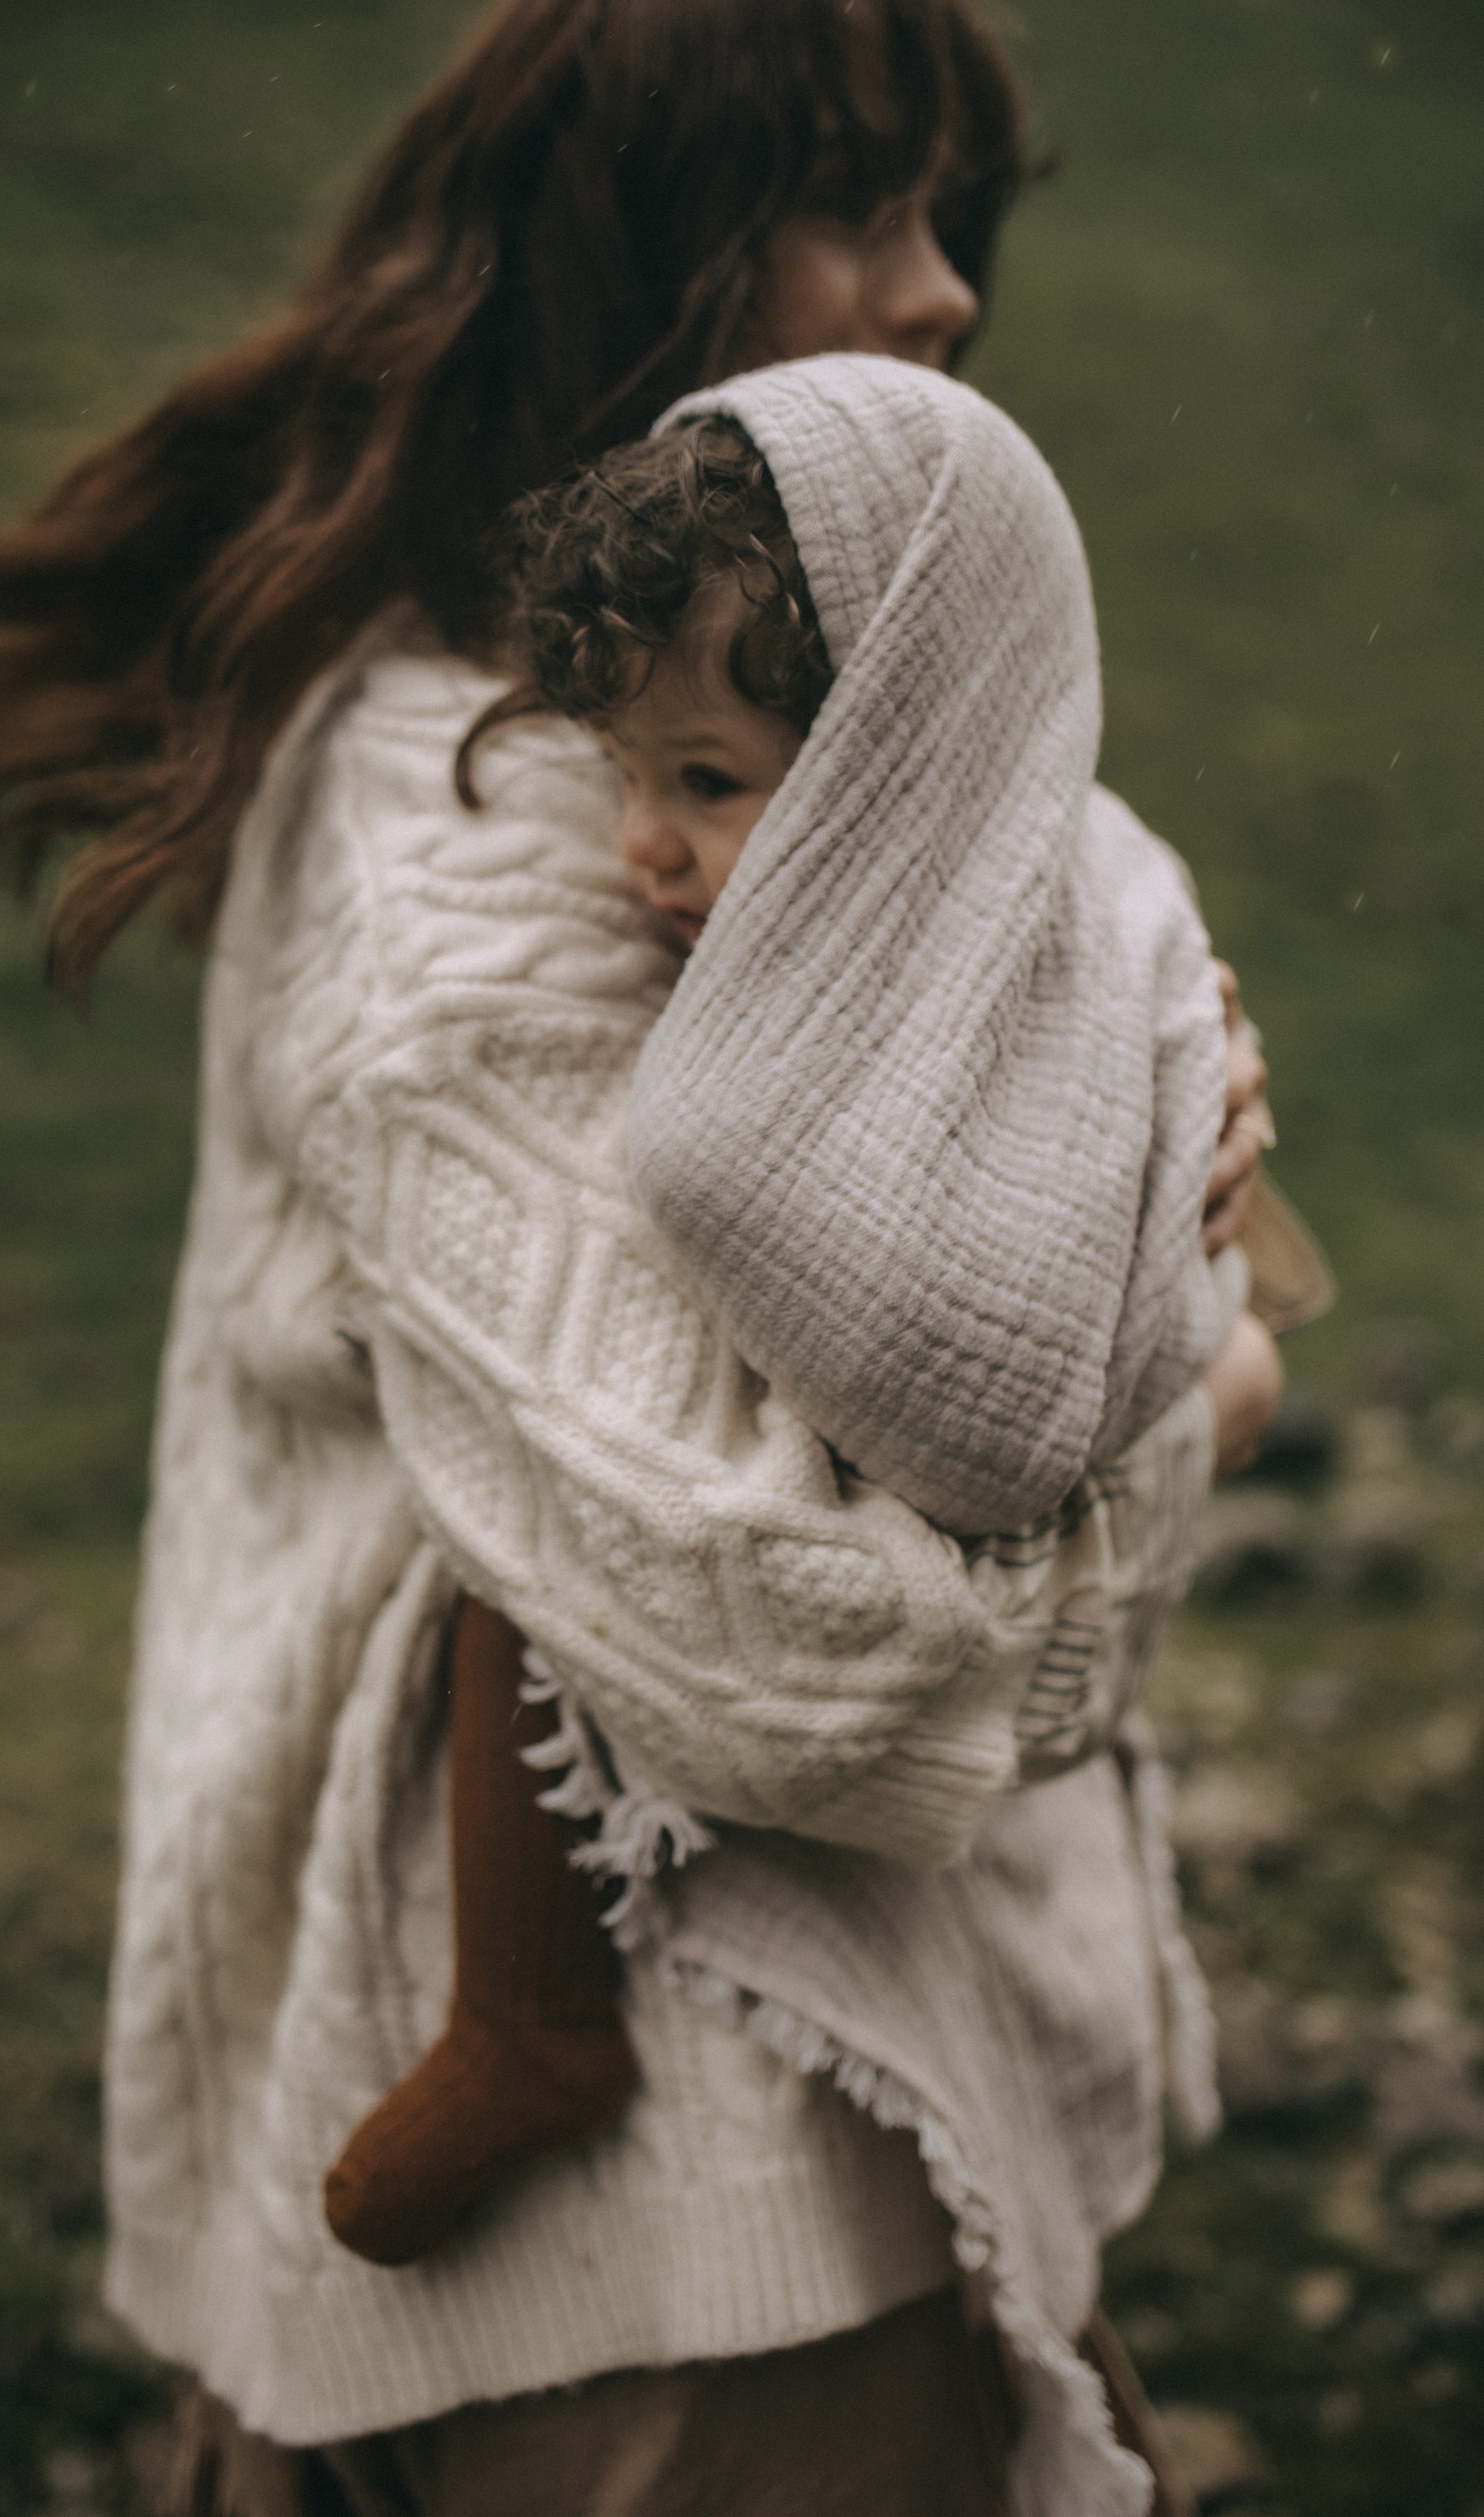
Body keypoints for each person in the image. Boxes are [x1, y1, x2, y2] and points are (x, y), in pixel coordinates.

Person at [0, 1, 1281, 2509]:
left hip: (811, 2127)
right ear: (645, 244)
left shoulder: (817, 757)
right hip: (648, 2229)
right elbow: (795, 1656)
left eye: (959, 221)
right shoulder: (499, 815)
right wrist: (1196, 1393)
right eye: (856, 197)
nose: (937, 295)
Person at [324, 377, 1278, 2274]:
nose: (639, 859)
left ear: (902, 775)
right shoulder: (751, 991)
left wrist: (1195, 1280)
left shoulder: (1066, 918)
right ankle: (532, 2011)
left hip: (984, 1597)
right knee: (523, 1507)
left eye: (706, 784)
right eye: (622, 779)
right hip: (870, 1609)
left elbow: (1026, 1351)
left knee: (521, 1542)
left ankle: (528, 2015)